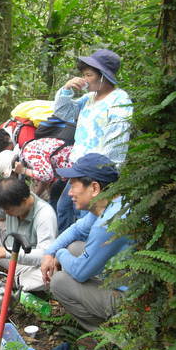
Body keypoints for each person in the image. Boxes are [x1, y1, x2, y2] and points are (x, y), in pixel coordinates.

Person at [41, 153, 132, 331]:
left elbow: (80, 272)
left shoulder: (108, 224)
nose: (70, 192)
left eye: (74, 185)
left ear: (94, 188)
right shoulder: (112, 203)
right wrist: (50, 252)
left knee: (59, 282)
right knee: (74, 247)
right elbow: (77, 229)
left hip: (132, 300)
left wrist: (59, 254)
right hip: (126, 277)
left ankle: (110, 337)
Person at [54, 49, 133, 233]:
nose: (85, 79)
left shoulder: (120, 100)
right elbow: (65, 112)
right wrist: (66, 90)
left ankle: (82, 253)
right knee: (64, 208)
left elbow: (117, 142)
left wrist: (102, 174)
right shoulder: (89, 98)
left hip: (95, 173)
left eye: (89, 75)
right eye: (84, 75)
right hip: (78, 168)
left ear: (104, 76)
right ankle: (63, 251)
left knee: (85, 217)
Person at [0, 178, 57, 292]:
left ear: (24, 201)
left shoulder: (45, 214)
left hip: (28, 265)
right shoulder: (11, 202)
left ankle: (14, 282)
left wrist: (8, 254)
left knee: (51, 276)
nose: (6, 213)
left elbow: (45, 255)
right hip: (7, 252)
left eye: (8, 210)